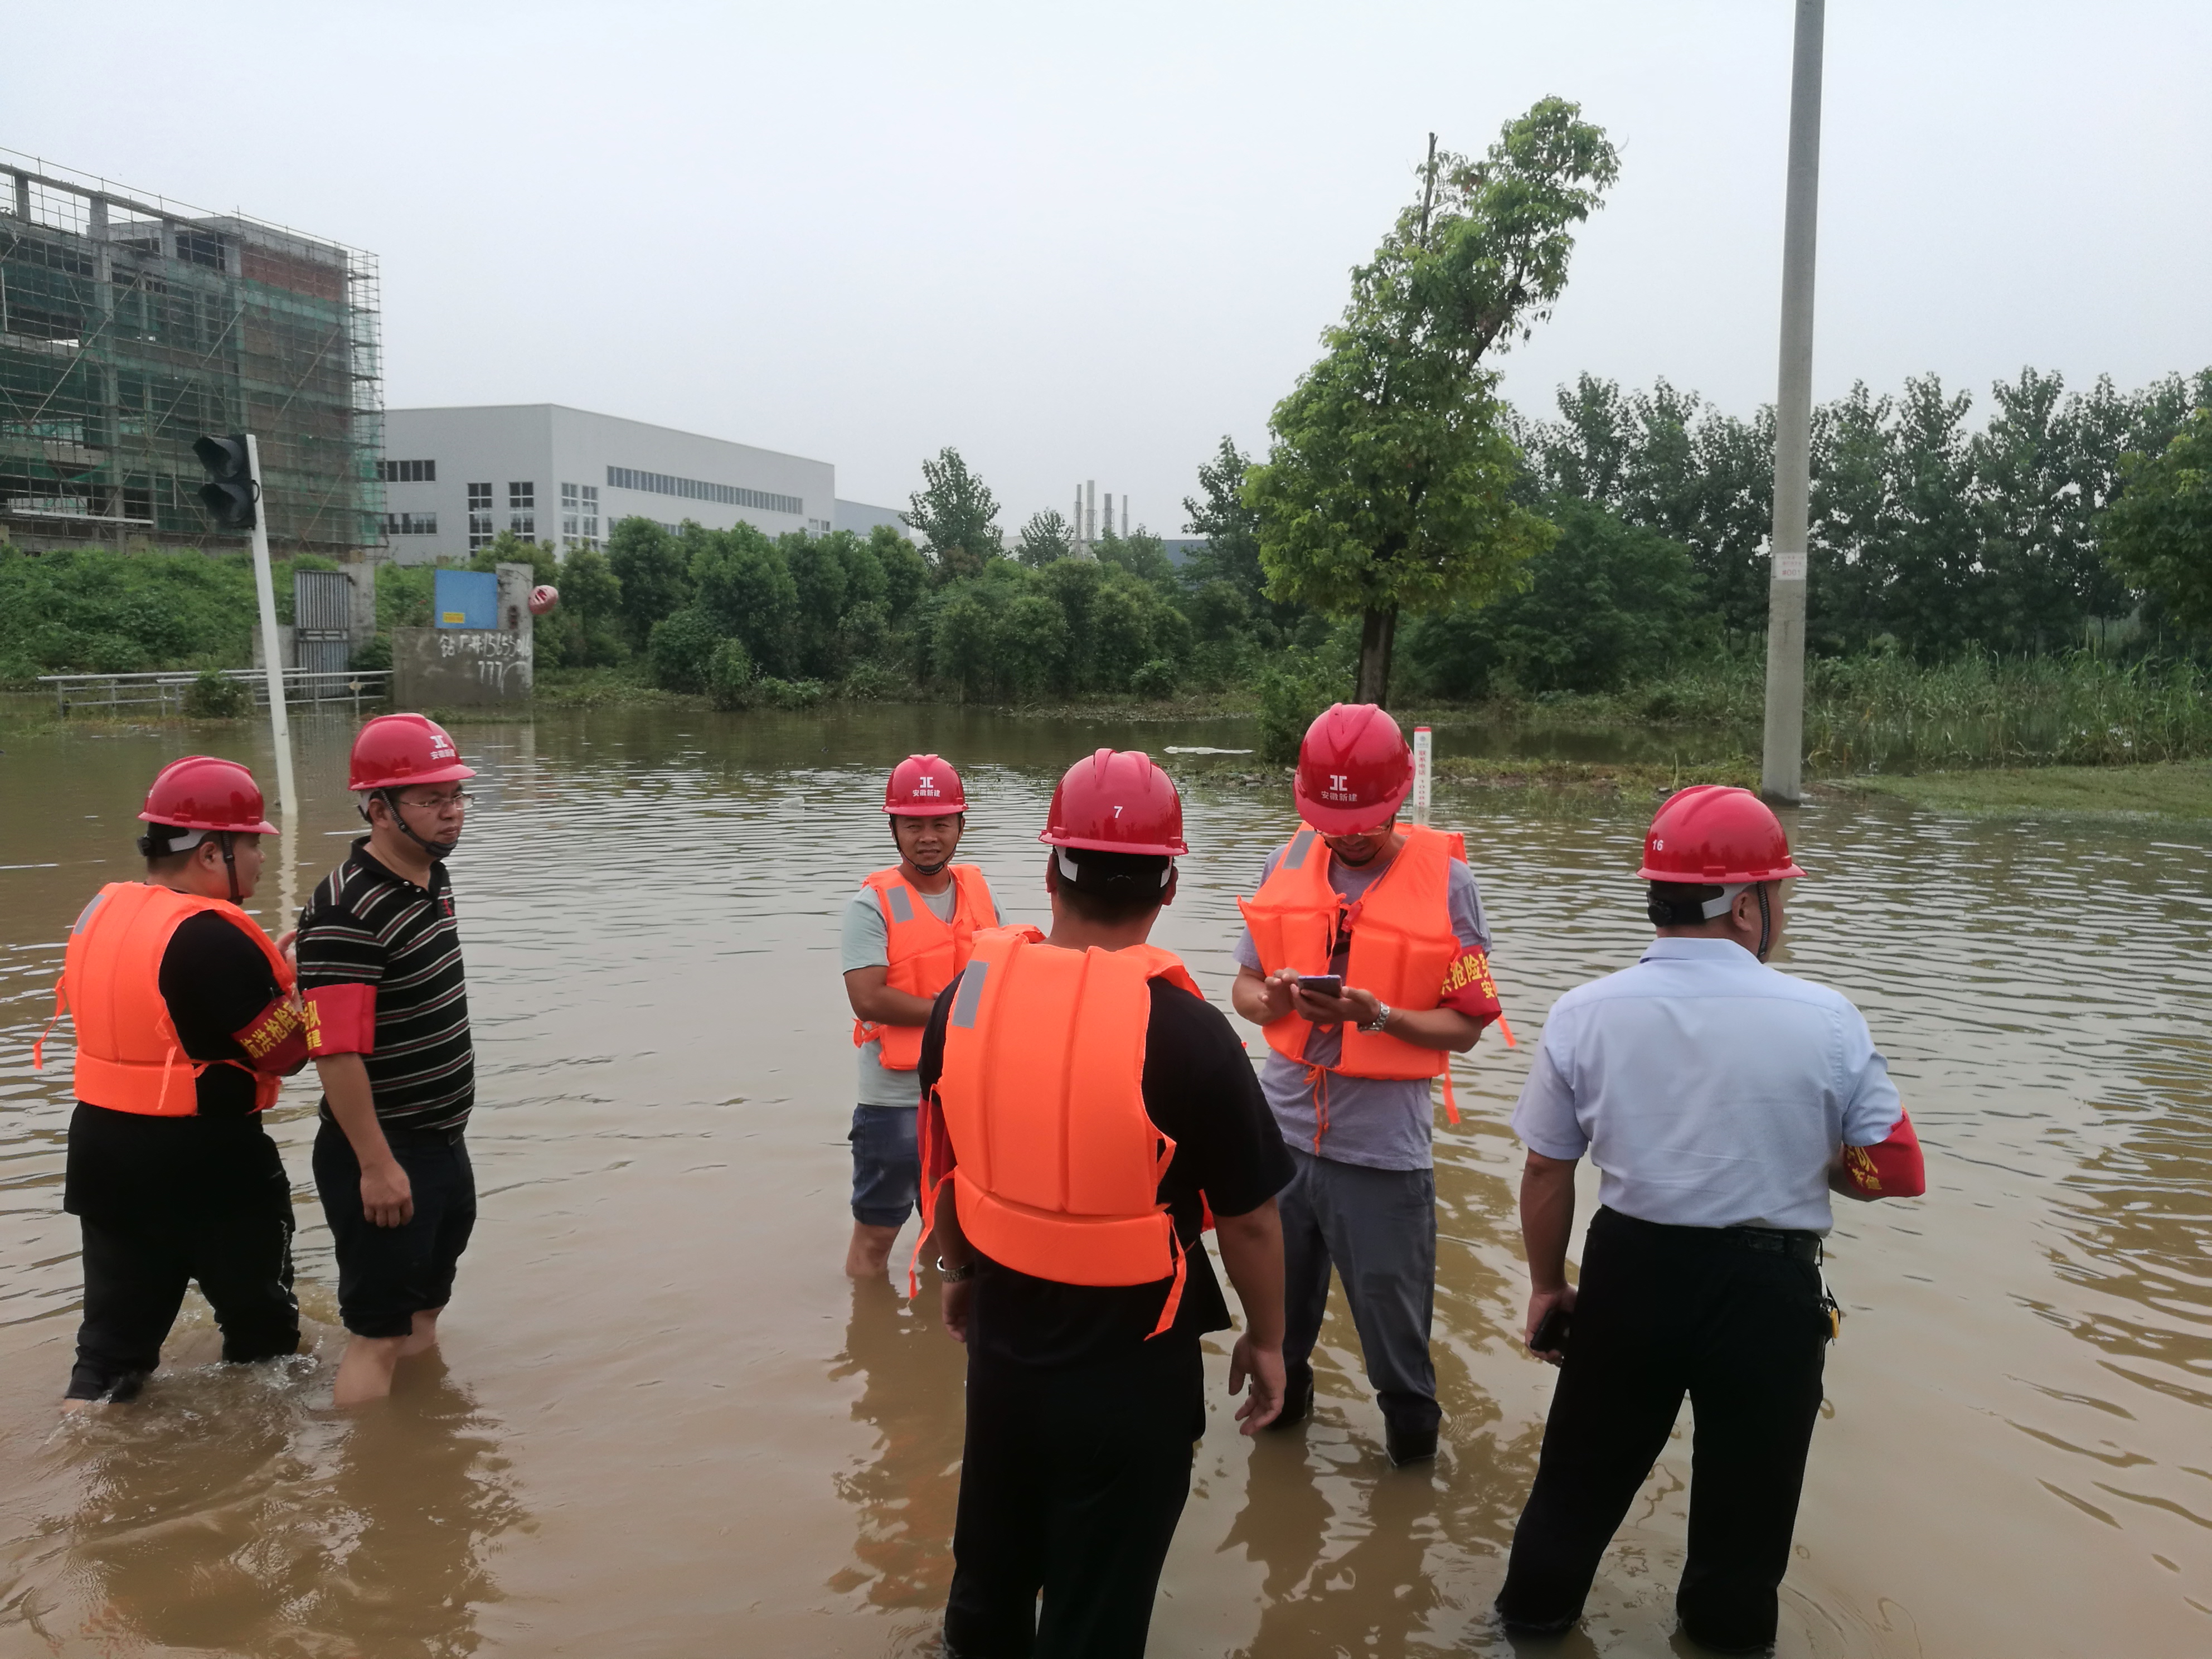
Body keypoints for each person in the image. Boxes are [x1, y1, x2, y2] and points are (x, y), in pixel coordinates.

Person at [1494, 784, 1928, 1653]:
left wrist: (1548, 1286)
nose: (1783, 911)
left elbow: (1546, 1168)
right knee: (1746, 1525)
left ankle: (1530, 1630)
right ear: (1744, 906)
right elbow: (1896, 1171)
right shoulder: (1826, 1018)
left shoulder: (1583, 1012)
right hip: (1768, 1290)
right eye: (1780, 894)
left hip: (1629, 1276)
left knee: (1574, 1493)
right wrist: (1806, 1158)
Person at [916, 748, 1293, 1659]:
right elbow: (1249, 1220)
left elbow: (946, 1164)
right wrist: (1268, 1340)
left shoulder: (962, 1002)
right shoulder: (1194, 1036)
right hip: (1131, 1373)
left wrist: (959, 1272)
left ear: (1051, 872)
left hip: (1004, 1351)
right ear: (1170, 885)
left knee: (990, 1571)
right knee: (1097, 1607)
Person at [1229, 702, 1502, 1466]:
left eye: (1366, 822)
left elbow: (1467, 1026)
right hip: (1282, 1141)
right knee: (1278, 1335)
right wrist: (1272, 1001)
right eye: (1331, 823)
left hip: (1380, 1156)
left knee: (1397, 1353)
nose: (1348, 837)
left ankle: (1411, 1473)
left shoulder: (1450, 885)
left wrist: (1378, 1016)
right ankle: (1279, 1465)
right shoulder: (1284, 864)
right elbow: (1243, 987)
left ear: (1397, 797)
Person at [38, 756, 308, 1406]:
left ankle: (81, 1437)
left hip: (103, 1154)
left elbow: (178, 1010)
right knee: (264, 1338)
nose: (261, 858)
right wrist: (296, 988)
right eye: (252, 844)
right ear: (212, 853)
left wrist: (258, 978)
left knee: (109, 1351)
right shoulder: (214, 937)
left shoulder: (101, 913)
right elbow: (287, 1056)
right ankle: (262, 1454)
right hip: (209, 1161)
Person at [295, 714, 481, 1407]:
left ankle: (421, 1442)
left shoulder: (431, 879)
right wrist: (375, 1166)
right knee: (376, 1334)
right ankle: (363, 1466)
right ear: (379, 809)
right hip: (383, 1150)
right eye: (431, 800)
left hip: (442, 1141)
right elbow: (334, 1052)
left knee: (427, 1307)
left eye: (456, 795)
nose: (451, 812)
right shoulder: (346, 910)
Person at [840, 754, 998, 1278]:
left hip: (964, 1095)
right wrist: (954, 1014)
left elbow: (1002, 975)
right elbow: (868, 998)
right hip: (895, 1101)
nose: (928, 837)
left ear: (960, 825)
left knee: (952, 1232)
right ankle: (867, 1319)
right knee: (877, 1235)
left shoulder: (980, 893)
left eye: (940, 823)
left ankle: (937, 1318)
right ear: (894, 829)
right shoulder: (872, 904)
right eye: (913, 825)